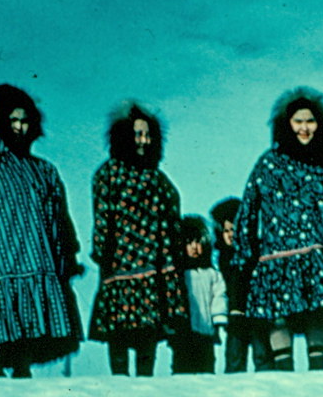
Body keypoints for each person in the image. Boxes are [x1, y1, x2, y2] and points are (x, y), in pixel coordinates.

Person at [232, 86, 323, 371]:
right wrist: (244, 252)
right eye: (298, 121)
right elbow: (248, 208)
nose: (304, 128)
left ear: (320, 123)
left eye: (310, 121)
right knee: (278, 315)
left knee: (317, 313)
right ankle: (285, 375)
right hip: (279, 255)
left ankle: (316, 373)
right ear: (287, 124)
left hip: (321, 254)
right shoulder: (270, 162)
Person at [0, 84, 84, 378]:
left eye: (25, 120)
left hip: (39, 260)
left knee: (29, 340)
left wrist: (67, 251)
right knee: (1, 334)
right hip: (1, 261)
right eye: (13, 120)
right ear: (0, 121)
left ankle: (22, 381)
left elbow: (59, 217)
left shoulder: (44, 170)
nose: (19, 126)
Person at [88, 102, 190, 376]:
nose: (142, 141)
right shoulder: (109, 174)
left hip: (154, 267)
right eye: (137, 134)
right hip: (119, 264)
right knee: (118, 330)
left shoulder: (159, 179)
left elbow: (173, 217)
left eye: (147, 135)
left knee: (148, 331)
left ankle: (146, 386)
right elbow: (102, 215)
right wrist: (101, 251)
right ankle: (119, 382)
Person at [210, 197, 273, 373]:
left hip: (256, 315)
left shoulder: (255, 253)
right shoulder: (220, 259)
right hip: (234, 317)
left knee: (263, 356)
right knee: (234, 358)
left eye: (234, 229)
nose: (230, 234)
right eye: (226, 230)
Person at [171, 215, 227, 374]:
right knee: (182, 372)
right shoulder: (178, 275)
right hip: (183, 334)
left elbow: (219, 296)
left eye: (198, 242)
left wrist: (218, 319)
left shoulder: (211, 274)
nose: (194, 247)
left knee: (206, 371)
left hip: (206, 332)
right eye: (189, 243)